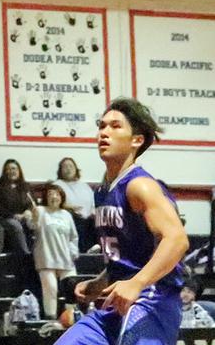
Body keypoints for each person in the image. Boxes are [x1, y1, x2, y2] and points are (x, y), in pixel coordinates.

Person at [55, 98, 189, 345]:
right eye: (102, 126)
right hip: (116, 301)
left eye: (115, 126)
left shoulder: (140, 186)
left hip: (152, 301)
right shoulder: (102, 191)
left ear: (136, 140)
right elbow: (132, 252)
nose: (104, 132)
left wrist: (136, 283)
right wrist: (101, 281)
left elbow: (177, 240)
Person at [26, 184, 78, 319]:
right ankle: (51, 318)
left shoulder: (66, 215)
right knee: (51, 290)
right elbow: (32, 226)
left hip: (66, 257)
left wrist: (73, 252)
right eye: (50, 195)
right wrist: (34, 217)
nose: (54, 197)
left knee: (71, 286)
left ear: (61, 197)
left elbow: (73, 237)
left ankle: (70, 318)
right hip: (46, 257)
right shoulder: (40, 210)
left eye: (57, 194)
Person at [0, 159, 32, 255]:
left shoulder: (25, 186)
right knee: (16, 226)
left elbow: (31, 203)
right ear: (4, 172)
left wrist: (28, 211)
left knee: (35, 224)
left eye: (14, 169)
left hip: (23, 217)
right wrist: (14, 215)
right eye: (8, 169)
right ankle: (26, 255)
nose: (12, 171)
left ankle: (37, 253)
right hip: (4, 217)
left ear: (19, 171)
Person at [53, 157, 96, 252]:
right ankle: (83, 253)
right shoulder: (57, 185)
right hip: (69, 217)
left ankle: (93, 252)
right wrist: (69, 208)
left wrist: (93, 213)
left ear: (76, 169)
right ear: (60, 170)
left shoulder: (84, 186)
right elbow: (53, 204)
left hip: (88, 217)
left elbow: (93, 203)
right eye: (65, 167)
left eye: (71, 166)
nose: (68, 169)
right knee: (78, 222)